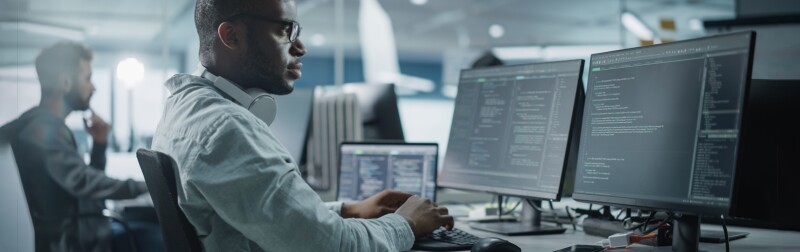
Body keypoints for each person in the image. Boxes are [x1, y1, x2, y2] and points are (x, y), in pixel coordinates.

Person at [150, 0, 454, 251]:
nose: (300, 47)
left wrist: (347, 210)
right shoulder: (227, 130)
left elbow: (267, 218)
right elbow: (334, 247)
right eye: (285, 30)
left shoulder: (185, 107)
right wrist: (407, 223)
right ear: (231, 36)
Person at [0, 42, 151, 251]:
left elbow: (83, 187)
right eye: (88, 78)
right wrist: (150, 185)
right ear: (66, 82)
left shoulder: (40, 125)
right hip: (74, 241)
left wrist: (99, 146)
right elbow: (86, 183)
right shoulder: (42, 132)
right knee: (157, 232)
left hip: (81, 231)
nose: (94, 87)